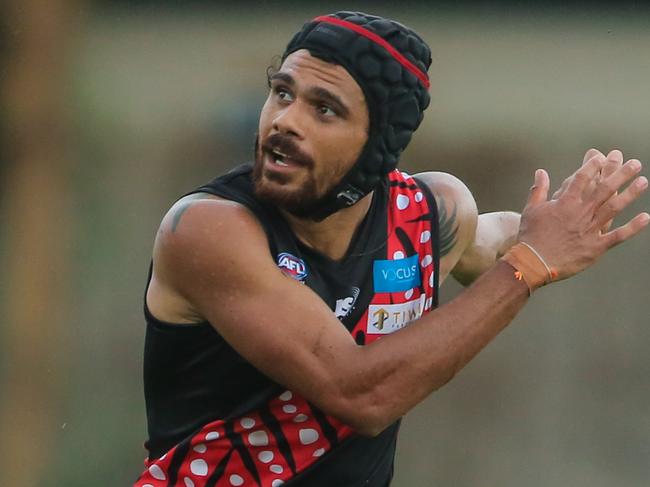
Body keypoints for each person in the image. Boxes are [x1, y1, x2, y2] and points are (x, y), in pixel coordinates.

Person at [134, 11, 648, 487]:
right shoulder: (208, 230)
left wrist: (561, 229)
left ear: (378, 142)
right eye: (283, 93)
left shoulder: (429, 216)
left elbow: (492, 246)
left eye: (324, 109)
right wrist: (530, 264)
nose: (285, 121)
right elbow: (359, 394)